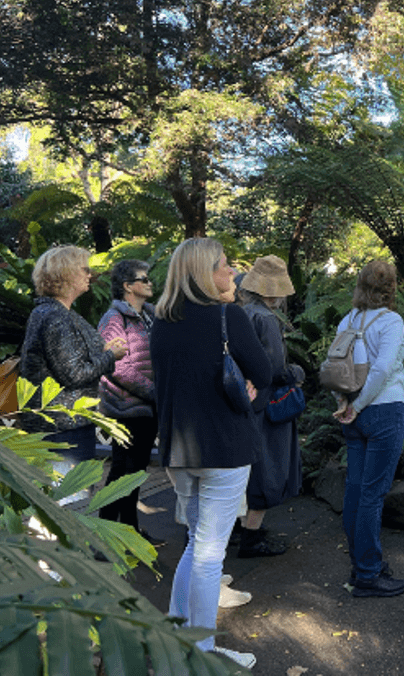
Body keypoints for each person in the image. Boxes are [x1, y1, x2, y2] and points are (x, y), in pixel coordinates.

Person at [151, 238, 271, 669]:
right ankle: (201, 653)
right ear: (205, 273)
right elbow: (264, 372)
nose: (233, 273)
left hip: (178, 451)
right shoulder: (228, 316)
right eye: (224, 266)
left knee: (195, 547)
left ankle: (178, 635)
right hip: (224, 447)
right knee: (208, 554)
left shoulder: (161, 322)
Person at [19, 245, 127, 501]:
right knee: (69, 502)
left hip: (62, 422)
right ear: (65, 274)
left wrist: (103, 351)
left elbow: (71, 360)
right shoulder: (55, 316)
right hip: (63, 425)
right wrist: (111, 356)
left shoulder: (52, 312)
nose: (90, 275)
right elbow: (74, 374)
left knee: (59, 501)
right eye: (84, 269)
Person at [333, 261, 404, 598]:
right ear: (391, 287)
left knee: (355, 491)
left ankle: (360, 565)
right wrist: (361, 405)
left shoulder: (347, 320)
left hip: (352, 413)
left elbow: (335, 368)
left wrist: (344, 403)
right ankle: (368, 573)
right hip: (383, 411)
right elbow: (382, 369)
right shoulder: (391, 321)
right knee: (372, 496)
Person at [235, 255, 305, 558]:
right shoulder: (264, 317)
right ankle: (253, 537)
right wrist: (296, 374)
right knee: (268, 469)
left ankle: (240, 530)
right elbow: (274, 368)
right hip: (266, 403)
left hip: (243, 401)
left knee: (246, 470)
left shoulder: (241, 312)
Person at [97, 259, 163, 545]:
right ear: (127, 286)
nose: (150, 283)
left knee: (136, 472)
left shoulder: (149, 315)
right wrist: (155, 392)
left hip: (146, 409)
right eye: (144, 279)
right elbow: (117, 367)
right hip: (124, 409)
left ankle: (131, 530)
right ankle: (106, 536)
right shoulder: (114, 319)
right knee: (121, 472)